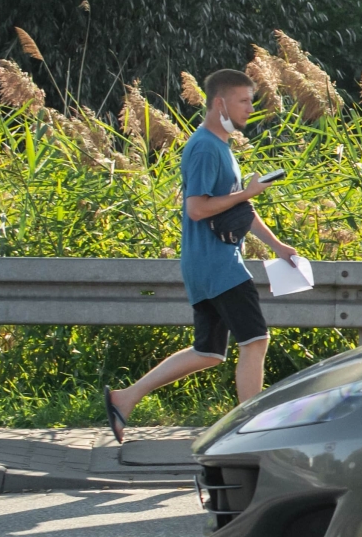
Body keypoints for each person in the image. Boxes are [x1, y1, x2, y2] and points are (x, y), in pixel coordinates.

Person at [105, 69, 296, 441]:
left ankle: (124, 399)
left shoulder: (221, 148)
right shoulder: (207, 147)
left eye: (251, 101)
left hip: (207, 264)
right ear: (219, 103)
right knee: (255, 341)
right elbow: (197, 208)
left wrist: (277, 246)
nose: (249, 109)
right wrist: (247, 193)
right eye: (243, 101)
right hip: (218, 264)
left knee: (208, 352)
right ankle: (250, 431)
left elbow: (236, 209)